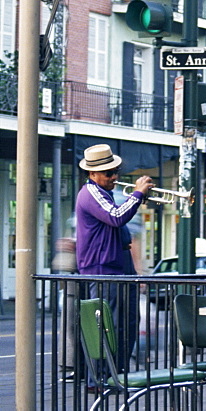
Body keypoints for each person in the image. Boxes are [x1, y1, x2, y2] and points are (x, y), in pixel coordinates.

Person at [75, 143, 152, 377]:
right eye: (109, 173)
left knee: (128, 323)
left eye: (115, 171)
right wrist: (138, 195)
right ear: (93, 173)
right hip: (103, 268)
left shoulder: (104, 193)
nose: (114, 177)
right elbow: (116, 217)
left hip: (118, 265)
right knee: (107, 325)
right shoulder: (90, 193)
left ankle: (118, 372)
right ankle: (100, 378)